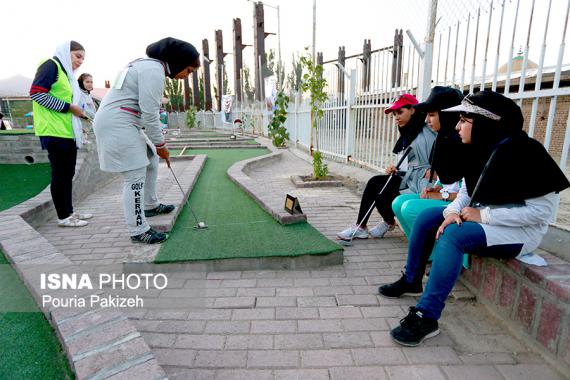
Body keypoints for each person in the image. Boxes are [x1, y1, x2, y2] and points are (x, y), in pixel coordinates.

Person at [379, 91, 570, 347]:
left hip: (521, 232)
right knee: (427, 216)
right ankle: (412, 280)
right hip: (483, 218)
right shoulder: (480, 148)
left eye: (464, 120)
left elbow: (541, 213)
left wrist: (484, 215)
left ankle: (428, 315)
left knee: (454, 236)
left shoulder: (526, 152)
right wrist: (452, 211)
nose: (457, 126)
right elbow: (469, 191)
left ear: (486, 122)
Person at [93, 37, 200, 244]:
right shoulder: (154, 71)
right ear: (178, 61)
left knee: (150, 160)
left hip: (123, 120)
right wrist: (161, 145)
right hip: (118, 123)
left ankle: (150, 205)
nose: (186, 76)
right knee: (134, 176)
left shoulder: (140, 64)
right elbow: (150, 113)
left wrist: (156, 147)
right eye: (188, 70)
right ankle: (138, 229)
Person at [337, 93, 436, 241]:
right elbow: (410, 162)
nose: (396, 117)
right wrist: (396, 170)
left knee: (383, 189)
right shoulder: (409, 131)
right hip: (411, 179)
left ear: (413, 110)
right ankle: (363, 226)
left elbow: (433, 160)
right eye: (395, 114)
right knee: (375, 183)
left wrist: (435, 169)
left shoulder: (427, 131)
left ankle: (387, 222)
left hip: (424, 185)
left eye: (400, 112)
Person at [29, 40, 92, 227]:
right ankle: (63, 216)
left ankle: (69, 211)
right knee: (61, 174)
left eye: (83, 58)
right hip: (53, 131)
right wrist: (69, 107)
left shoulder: (67, 74)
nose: (80, 61)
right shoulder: (51, 65)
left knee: (68, 173)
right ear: (67, 52)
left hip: (66, 131)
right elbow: (37, 94)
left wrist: (77, 112)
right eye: (77, 56)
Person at [391, 86, 464, 237]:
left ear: (446, 115)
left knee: (409, 208)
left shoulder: (461, 144)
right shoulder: (443, 139)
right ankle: (423, 249)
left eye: (431, 115)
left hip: (458, 203)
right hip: (447, 196)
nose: (427, 120)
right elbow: (447, 180)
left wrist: (442, 195)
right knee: (398, 202)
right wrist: (437, 187)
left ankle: (429, 251)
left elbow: (468, 192)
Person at [78, 73, 97, 143]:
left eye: (91, 82)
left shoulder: (87, 94)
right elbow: (82, 111)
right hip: (80, 128)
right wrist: (94, 118)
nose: (90, 84)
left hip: (86, 129)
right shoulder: (79, 94)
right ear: (81, 82)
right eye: (87, 82)